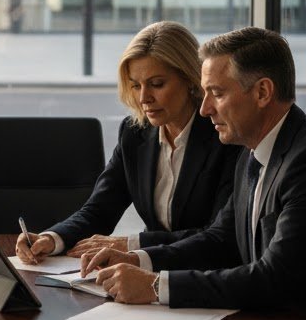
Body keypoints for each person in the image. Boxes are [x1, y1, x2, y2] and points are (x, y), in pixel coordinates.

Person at [88, 26, 306, 320]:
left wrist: (155, 286)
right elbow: (222, 239)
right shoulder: (252, 150)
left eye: (217, 93)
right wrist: (140, 259)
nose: (205, 109)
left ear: (262, 92)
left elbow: (275, 278)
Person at [15, 20, 240, 266]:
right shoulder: (135, 133)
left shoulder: (225, 136)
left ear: (190, 79)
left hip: (205, 277)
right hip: (149, 271)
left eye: (157, 84)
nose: (144, 98)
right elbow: (100, 209)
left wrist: (133, 245)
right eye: (135, 85)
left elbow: (217, 236)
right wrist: (52, 238)